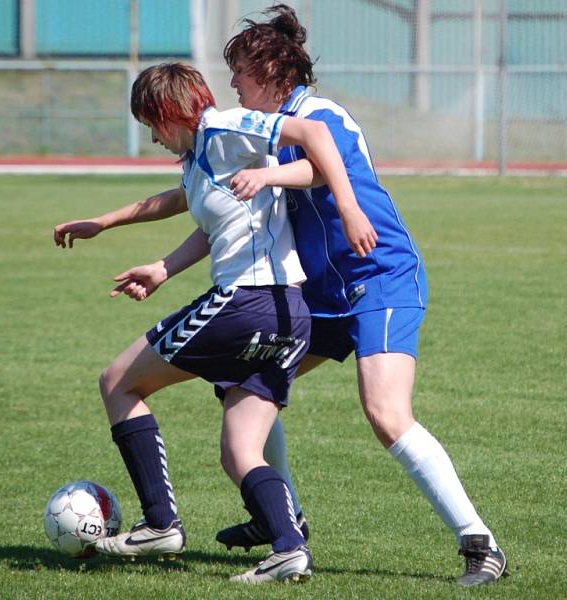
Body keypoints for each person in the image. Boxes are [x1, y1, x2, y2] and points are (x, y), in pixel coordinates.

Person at [213, 4, 508, 587]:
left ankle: (481, 544)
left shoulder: (321, 115)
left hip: (380, 276)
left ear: (273, 71)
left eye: (240, 71)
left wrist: (279, 179)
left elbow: (325, 168)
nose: (233, 83)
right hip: (323, 293)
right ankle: (284, 516)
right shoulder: (263, 131)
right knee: (249, 384)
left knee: (386, 412)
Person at [52, 62, 375, 585]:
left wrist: (348, 204)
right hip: (289, 315)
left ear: (169, 112)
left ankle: (159, 524)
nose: (153, 137)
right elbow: (194, 208)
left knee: (117, 381)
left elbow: (314, 134)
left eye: (151, 125)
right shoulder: (203, 158)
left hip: (245, 302)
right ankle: (289, 548)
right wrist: (140, 251)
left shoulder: (226, 127)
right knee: (239, 450)